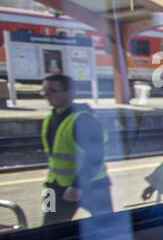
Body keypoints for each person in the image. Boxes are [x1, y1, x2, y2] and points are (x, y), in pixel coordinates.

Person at [39, 73, 111, 224]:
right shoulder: (49, 119)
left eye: (52, 91)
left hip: (91, 185)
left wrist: (77, 185)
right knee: (47, 227)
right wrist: (49, 186)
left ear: (70, 92)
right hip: (54, 186)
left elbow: (95, 156)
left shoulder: (83, 120)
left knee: (106, 226)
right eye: (44, 91)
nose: (46, 95)